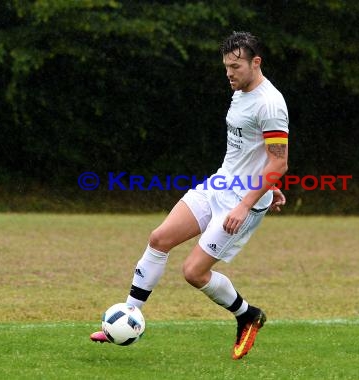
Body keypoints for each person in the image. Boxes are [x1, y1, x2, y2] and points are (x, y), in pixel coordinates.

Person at [90, 31, 289, 360]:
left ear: (256, 63)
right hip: (220, 185)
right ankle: (128, 316)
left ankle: (247, 315)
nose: (229, 73)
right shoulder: (239, 92)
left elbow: (279, 161)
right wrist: (264, 181)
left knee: (194, 272)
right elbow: (252, 151)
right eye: (226, 66)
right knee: (159, 239)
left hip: (240, 203)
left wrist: (247, 202)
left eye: (236, 66)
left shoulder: (271, 104)